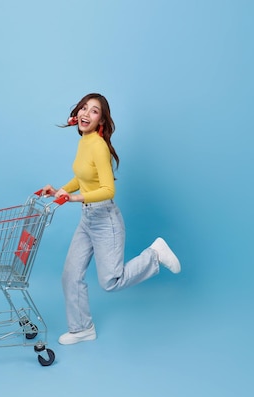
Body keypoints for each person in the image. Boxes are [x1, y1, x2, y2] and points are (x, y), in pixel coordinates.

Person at [43, 92, 181, 345]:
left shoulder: (98, 146)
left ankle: (155, 255)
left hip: (105, 219)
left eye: (94, 111)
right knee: (70, 275)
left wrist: (74, 199)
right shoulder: (84, 140)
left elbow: (108, 189)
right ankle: (82, 328)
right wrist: (62, 190)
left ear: (101, 121)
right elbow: (83, 177)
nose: (86, 113)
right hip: (88, 218)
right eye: (84, 108)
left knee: (111, 281)